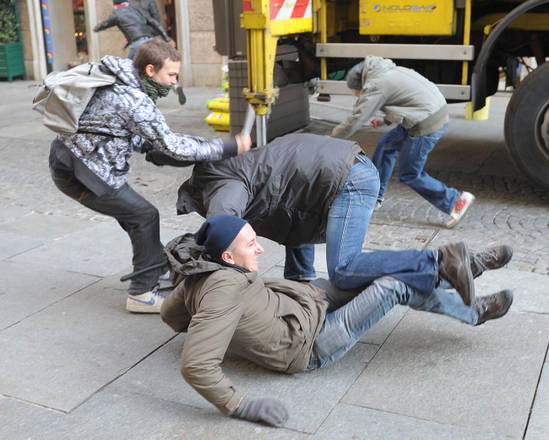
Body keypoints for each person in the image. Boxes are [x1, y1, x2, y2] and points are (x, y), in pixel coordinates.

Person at [160, 215, 514, 427]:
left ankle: (454, 266)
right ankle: (473, 311)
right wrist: (240, 405)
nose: (260, 248)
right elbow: (197, 364)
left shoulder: (201, 269)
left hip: (303, 301)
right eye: (251, 244)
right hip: (309, 344)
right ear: (227, 256)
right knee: (392, 288)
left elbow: (169, 314)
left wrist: (207, 325)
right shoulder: (221, 290)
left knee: (357, 271)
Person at [151, 132, 492, 306]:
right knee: (314, 269)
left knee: (344, 270)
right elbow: (291, 220)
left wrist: (205, 277)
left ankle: (442, 261)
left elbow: (229, 233)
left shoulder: (220, 185)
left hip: (346, 179)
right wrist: (297, 285)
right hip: (343, 167)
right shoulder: (232, 165)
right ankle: (468, 267)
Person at [48, 39, 251, 314]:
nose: (174, 81)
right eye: (171, 75)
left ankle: (157, 269)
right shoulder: (135, 100)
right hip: (82, 172)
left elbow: (109, 126)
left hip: (75, 161)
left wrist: (148, 147)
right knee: (144, 216)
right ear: (150, 70)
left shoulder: (119, 79)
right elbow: (173, 146)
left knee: (134, 215)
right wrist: (227, 147)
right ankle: (142, 292)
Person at [331, 56, 474, 228]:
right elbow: (407, 100)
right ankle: (374, 196)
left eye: (357, 93)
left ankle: (455, 201)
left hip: (426, 123)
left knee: (410, 173)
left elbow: (357, 118)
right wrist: (385, 121)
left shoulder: (375, 85)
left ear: (361, 85)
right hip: (428, 112)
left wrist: (332, 139)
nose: (357, 96)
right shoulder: (387, 70)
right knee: (386, 145)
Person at [94, 0, 174, 60]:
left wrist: (95, 28)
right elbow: (154, 22)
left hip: (138, 43)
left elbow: (104, 24)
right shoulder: (135, 9)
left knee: (127, 66)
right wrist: (166, 38)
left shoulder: (117, 13)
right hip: (150, 39)